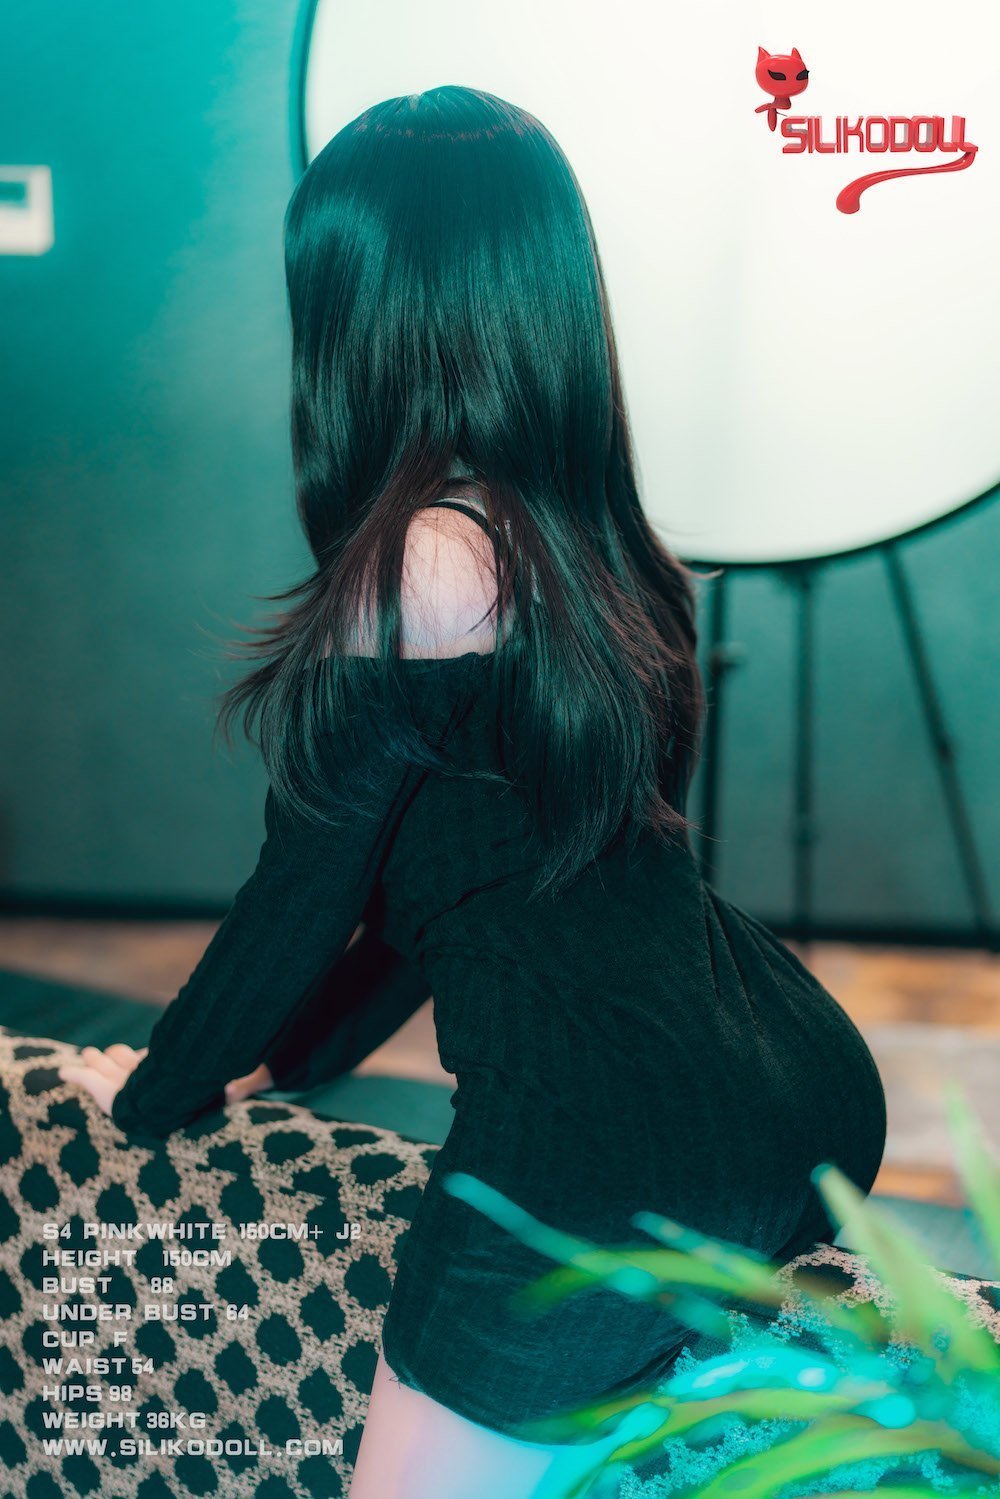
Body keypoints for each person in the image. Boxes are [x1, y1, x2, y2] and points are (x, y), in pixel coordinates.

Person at [59, 85, 887, 1497]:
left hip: (597, 1154)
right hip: (794, 1089)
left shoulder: (413, 569)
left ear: (360, 315)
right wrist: (283, 1066)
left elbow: (300, 899)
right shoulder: (610, 553)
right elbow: (442, 910)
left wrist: (155, 1096)